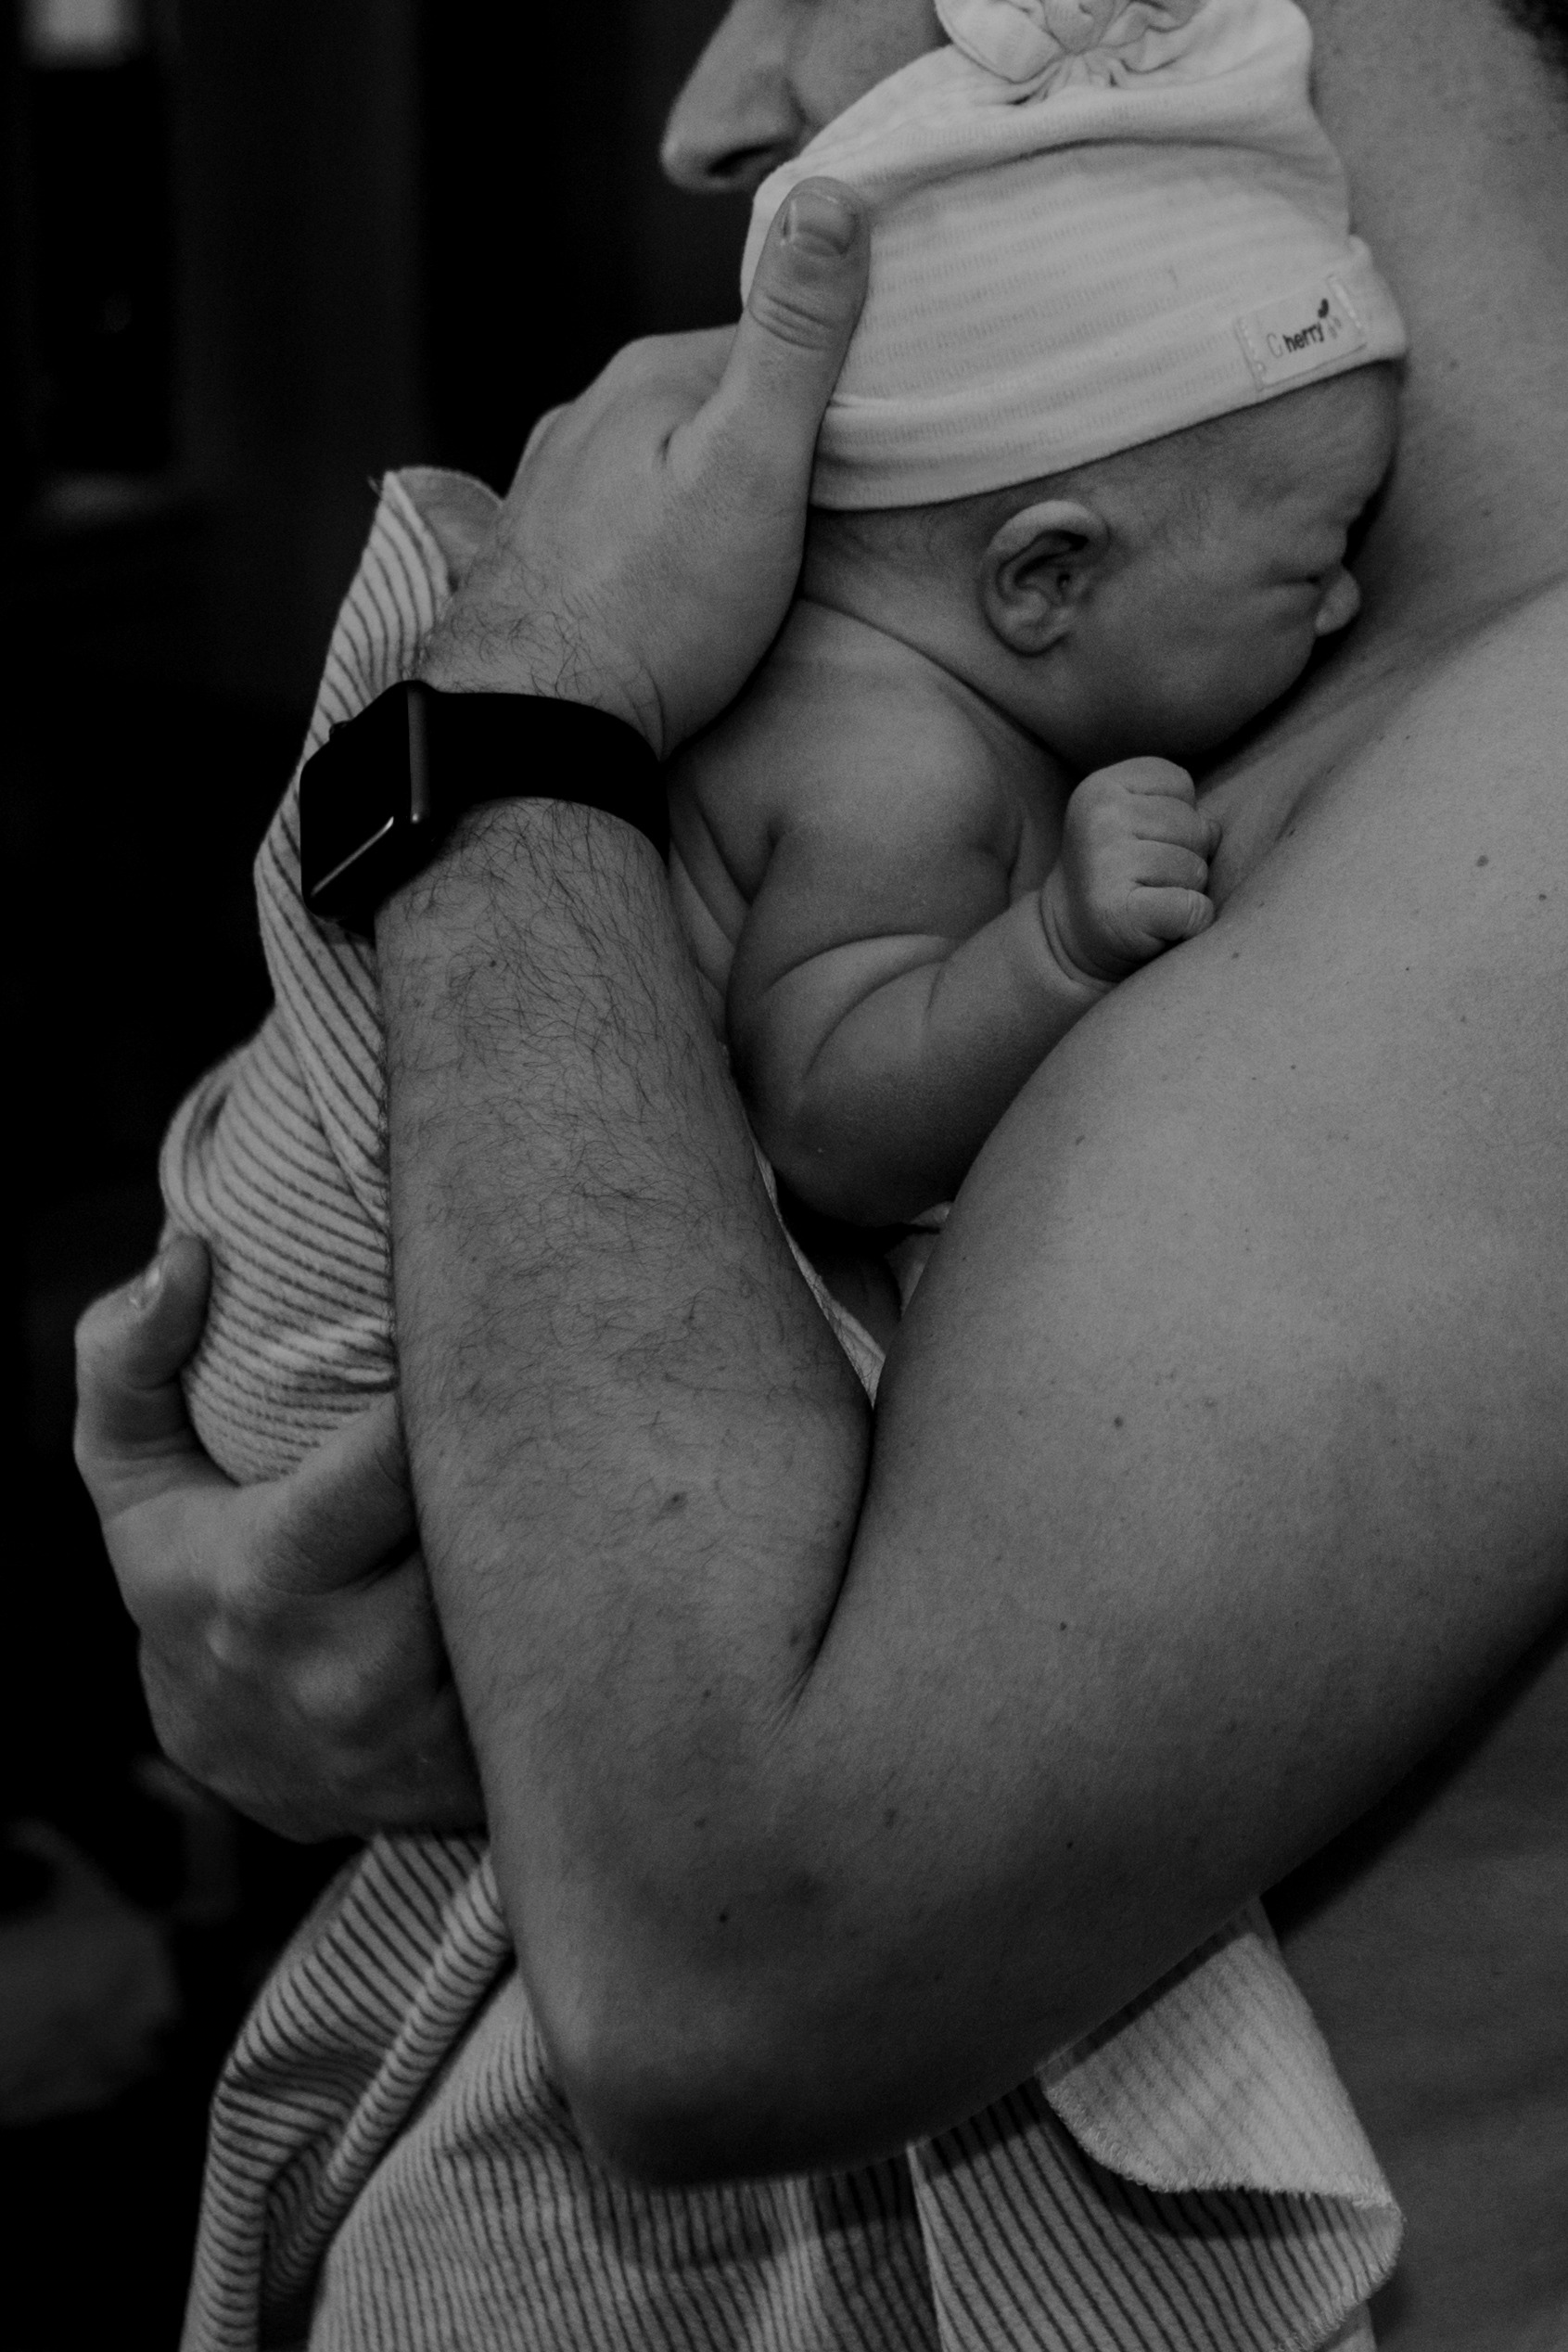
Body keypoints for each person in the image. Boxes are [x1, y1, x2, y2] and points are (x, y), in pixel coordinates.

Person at [74, 2, 1568, 2349]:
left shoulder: (1527, 790)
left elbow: (728, 1945)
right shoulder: (1207, 675)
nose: (713, 106)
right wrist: (361, 1570)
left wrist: (525, 707)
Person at [675, 0, 1402, 1229]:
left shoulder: (925, 703)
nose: (1346, 603)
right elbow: (821, 1129)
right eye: (1316, 553)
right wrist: (1057, 948)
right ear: (1047, 580)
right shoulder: (894, 774)